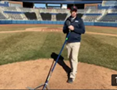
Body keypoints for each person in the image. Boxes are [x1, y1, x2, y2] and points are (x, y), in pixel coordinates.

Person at [63, 6, 85, 83]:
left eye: (75, 11)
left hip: (76, 42)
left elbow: (83, 31)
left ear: (76, 12)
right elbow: (64, 30)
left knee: (73, 58)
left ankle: (72, 76)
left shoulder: (79, 20)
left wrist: (74, 29)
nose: (73, 12)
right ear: (70, 11)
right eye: (72, 11)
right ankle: (74, 70)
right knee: (69, 58)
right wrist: (67, 27)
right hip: (68, 42)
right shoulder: (67, 20)